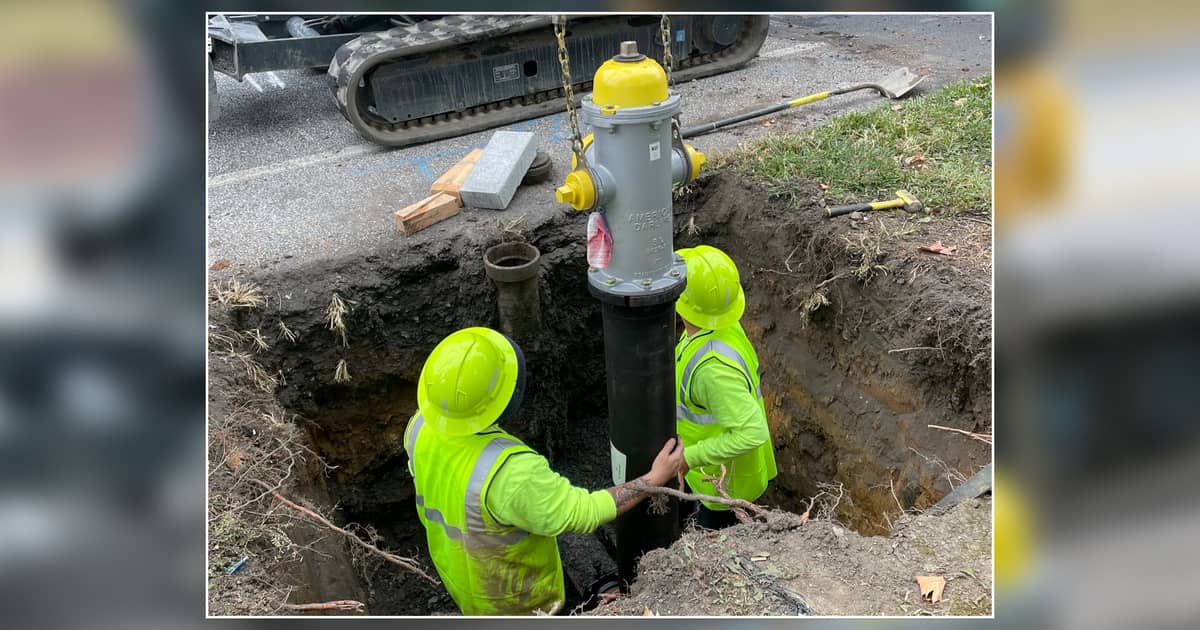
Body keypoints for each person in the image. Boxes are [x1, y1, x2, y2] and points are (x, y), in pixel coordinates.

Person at [403, 326, 684, 616]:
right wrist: (654, 478)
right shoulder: (512, 472)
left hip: (461, 578)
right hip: (517, 603)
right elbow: (583, 512)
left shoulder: (419, 427)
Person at [674, 245, 778, 530]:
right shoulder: (723, 325)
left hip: (724, 487)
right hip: (711, 472)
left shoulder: (713, 371)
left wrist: (688, 458)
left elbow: (752, 432)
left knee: (712, 538)